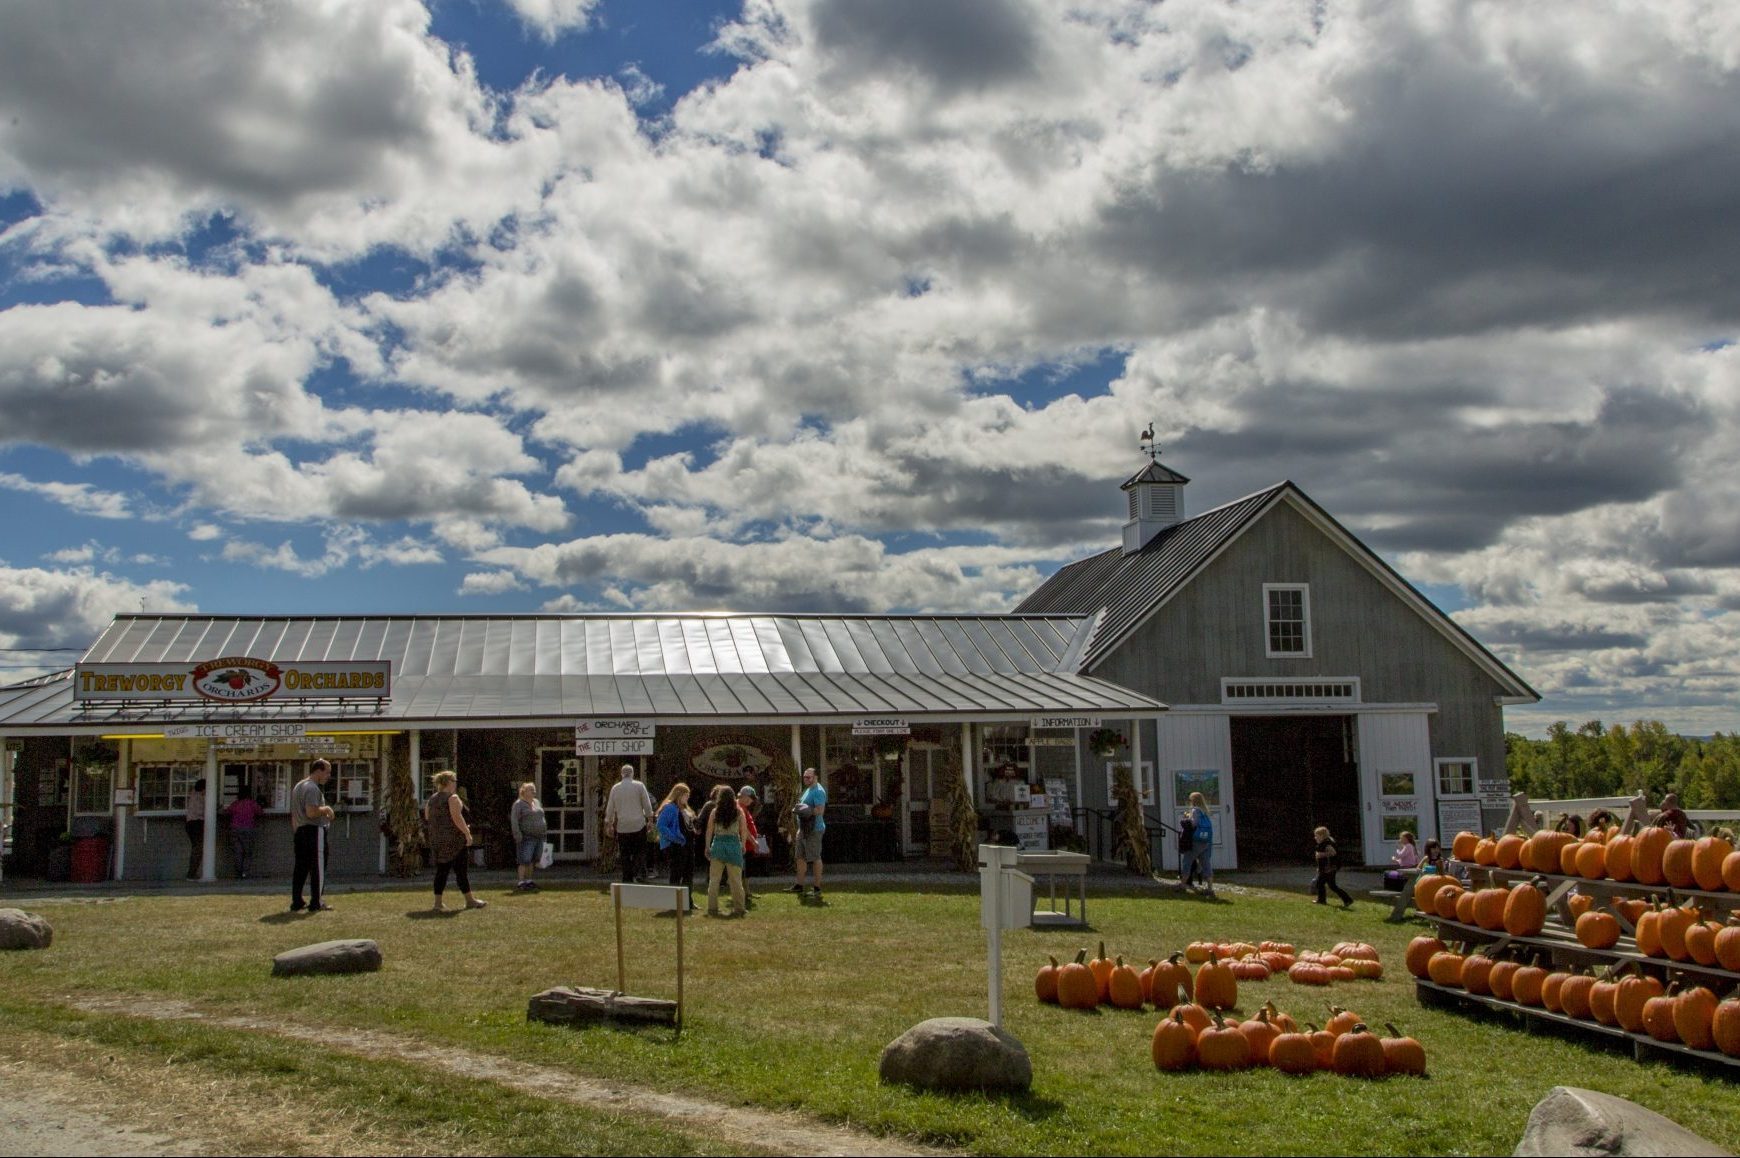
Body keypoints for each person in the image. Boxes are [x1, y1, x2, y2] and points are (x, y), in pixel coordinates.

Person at [426, 770, 487, 912]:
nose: (455, 784)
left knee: (442, 871)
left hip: (439, 840)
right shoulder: (453, 798)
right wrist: (467, 833)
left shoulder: (432, 799)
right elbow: (457, 818)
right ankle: (469, 900)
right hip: (455, 841)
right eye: (454, 781)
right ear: (448, 783)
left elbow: (428, 817)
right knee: (461, 871)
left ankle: (438, 903)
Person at [290, 760, 336, 913]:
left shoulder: (298, 786)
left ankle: (297, 900)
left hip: (300, 831)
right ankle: (316, 901)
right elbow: (311, 812)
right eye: (327, 772)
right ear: (318, 771)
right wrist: (326, 809)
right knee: (318, 867)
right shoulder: (312, 788)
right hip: (314, 832)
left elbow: (295, 814)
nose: (328, 776)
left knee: (300, 868)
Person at [605, 763, 656, 886]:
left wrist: (609, 824)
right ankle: (638, 872)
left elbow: (610, 808)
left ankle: (627, 878)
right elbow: (647, 805)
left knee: (625, 854)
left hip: (623, 827)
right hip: (638, 825)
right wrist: (650, 820)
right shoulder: (639, 786)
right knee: (640, 851)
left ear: (621, 774)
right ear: (632, 774)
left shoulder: (615, 788)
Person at [705, 785, 748, 917]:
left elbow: (709, 830)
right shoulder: (739, 812)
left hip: (718, 844)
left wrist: (707, 846)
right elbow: (744, 830)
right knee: (736, 880)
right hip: (733, 845)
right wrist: (743, 844)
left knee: (714, 880)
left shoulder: (715, 812)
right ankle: (739, 908)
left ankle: (712, 908)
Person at [657, 783, 697, 911]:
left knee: (688, 874)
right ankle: (675, 903)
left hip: (688, 845)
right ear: (679, 795)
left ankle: (688, 902)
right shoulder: (670, 808)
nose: (687, 798)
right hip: (675, 846)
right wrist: (675, 838)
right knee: (676, 874)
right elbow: (661, 825)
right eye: (686, 795)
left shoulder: (686, 809)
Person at [790, 767, 827, 902]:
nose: (806, 779)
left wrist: (805, 810)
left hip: (814, 829)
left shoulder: (818, 791)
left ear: (815, 777)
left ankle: (817, 887)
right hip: (803, 829)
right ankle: (799, 885)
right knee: (800, 857)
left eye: (808, 777)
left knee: (815, 857)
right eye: (805, 777)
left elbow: (820, 810)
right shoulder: (808, 790)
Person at [1174, 792, 1216, 899]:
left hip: (1196, 840)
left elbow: (1194, 824)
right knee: (1206, 863)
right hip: (1205, 840)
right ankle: (1210, 888)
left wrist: (1186, 819)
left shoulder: (1195, 810)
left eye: (1190, 800)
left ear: (1194, 801)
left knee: (1187, 860)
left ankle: (1183, 884)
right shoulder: (1205, 811)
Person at [510, 782, 548, 892]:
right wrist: (517, 835)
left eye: (534, 789)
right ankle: (521, 881)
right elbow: (514, 820)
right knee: (524, 859)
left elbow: (541, 816)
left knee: (532, 860)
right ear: (524, 791)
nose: (533, 791)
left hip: (539, 836)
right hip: (526, 836)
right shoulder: (519, 804)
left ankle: (529, 880)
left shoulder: (536, 802)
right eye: (531, 789)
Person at [225, 786, 263, 879]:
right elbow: (260, 812)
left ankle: (238, 873)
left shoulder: (235, 804)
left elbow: (227, 812)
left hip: (234, 829)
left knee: (238, 852)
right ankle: (245, 873)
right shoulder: (252, 804)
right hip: (248, 829)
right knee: (247, 852)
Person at [1313, 825, 1353, 907]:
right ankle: (1347, 900)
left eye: (1317, 836)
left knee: (1321, 884)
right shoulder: (1323, 843)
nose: (1315, 838)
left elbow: (1333, 853)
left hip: (1329, 868)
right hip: (1326, 868)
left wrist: (1321, 854)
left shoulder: (1327, 843)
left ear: (1322, 836)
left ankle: (1322, 900)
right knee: (1330, 885)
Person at [736, 784, 762, 910]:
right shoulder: (738, 807)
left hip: (748, 845)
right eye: (751, 798)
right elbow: (743, 828)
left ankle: (747, 892)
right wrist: (753, 841)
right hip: (743, 845)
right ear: (744, 796)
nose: (751, 801)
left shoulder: (744, 808)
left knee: (746, 871)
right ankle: (742, 894)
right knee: (741, 870)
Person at [184, 778, 206, 879]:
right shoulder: (198, 798)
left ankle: (192, 872)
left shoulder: (193, 795)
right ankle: (191, 873)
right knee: (198, 849)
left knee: (197, 849)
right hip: (196, 823)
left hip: (191, 824)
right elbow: (201, 812)